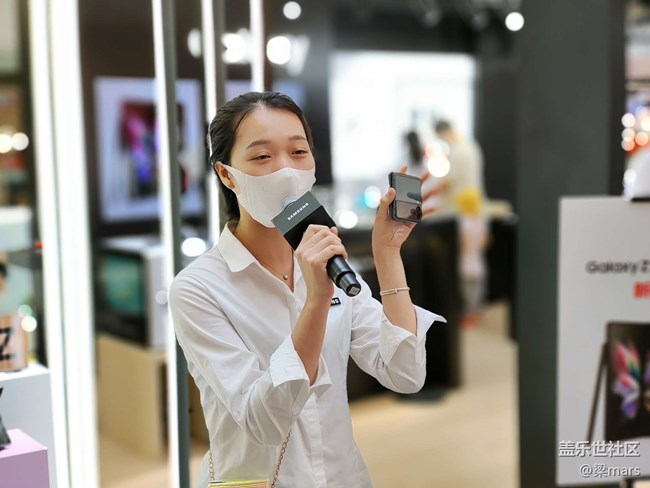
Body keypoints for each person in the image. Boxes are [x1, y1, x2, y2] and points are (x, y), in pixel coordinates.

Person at [168, 91, 446, 487]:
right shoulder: (198, 289)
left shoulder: (332, 265)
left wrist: (387, 254)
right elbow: (262, 422)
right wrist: (316, 301)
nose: (286, 170)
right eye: (262, 156)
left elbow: (405, 373)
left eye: (298, 152)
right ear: (226, 174)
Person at [433, 119, 486, 214]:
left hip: (463, 200)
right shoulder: (470, 144)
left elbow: (449, 181)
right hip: (472, 196)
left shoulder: (458, 150)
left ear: (443, 133)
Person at [454, 187, 489, 328]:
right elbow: (485, 241)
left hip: (465, 261)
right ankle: (476, 314)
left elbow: (462, 243)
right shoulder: (481, 219)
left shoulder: (464, 221)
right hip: (478, 260)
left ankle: (469, 316)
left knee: (466, 290)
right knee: (477, 290)